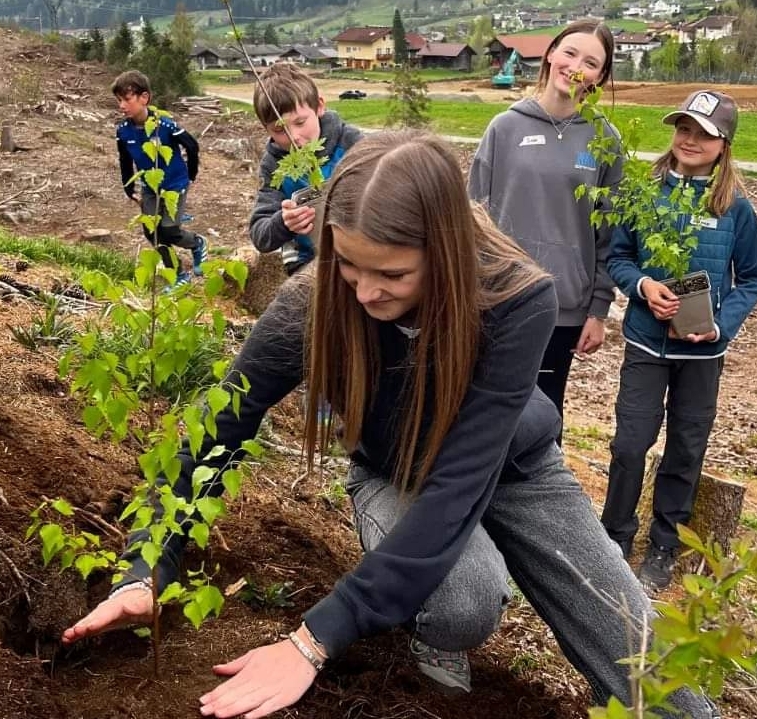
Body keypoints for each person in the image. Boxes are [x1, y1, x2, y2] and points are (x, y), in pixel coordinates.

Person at [62, 131, 716, 719]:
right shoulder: (311, 306)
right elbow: (218, 429)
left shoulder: (514, 297)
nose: (366, 292)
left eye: (392, 273)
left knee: (657, 677)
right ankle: (436, 628)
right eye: (349, 265)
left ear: (446, 251)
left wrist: (309, 641)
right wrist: (143, 568)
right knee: (461, 605)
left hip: (513, 467)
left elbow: (460, 482)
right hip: (394, 467)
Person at [600, 90, 757, 593]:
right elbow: (619, 258)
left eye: (704, 134)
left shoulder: (735, 208)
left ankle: (664, 548)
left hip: (703, 354)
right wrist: (642, 286)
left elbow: (753, 279)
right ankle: (614, 538)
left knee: (685, 451)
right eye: (684, 129)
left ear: (724, 145)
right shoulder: (645, 194)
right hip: (646, 346)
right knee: (630, 444)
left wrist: (721, 325)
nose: (690, 140)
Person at [468, 20, 622, 440]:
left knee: (544, 417)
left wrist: (598, 310)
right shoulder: (504, 128)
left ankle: (538, 502)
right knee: (483, 412)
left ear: (601, 77)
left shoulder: (605, 141)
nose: (576, 66)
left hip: (563, 306)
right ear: (551, 54)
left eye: (591, 62)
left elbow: (610, 234)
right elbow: (472, 216)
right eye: (570, 53)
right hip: (499, 297)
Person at [248, 62, 363, 276]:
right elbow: (259, 235)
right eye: (280, 129)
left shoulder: (353, 143)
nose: (294, 137)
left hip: (361, 248)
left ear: (319, 106)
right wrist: (283, 222)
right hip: (309, 261)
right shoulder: (273, 166)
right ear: (266, 129)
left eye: (300, 122)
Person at [112, 70, 208, 284]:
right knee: (151, 231)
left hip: (175, 184)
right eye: (119, 101)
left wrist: (191, 174)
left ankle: (197, 243)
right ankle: (178, 274)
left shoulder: (163, 125)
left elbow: (192, 146)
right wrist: (129, 188)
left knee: (170, 230)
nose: (122, 106)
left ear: (144, 98)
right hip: (149, 187)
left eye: (127, 99)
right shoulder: (123, 131)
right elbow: (124, 160)